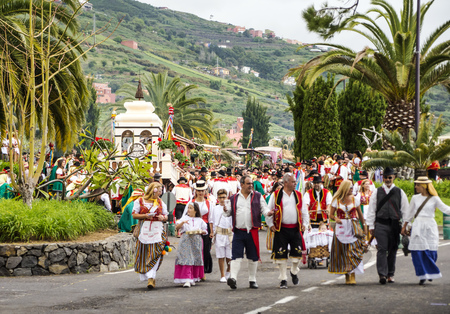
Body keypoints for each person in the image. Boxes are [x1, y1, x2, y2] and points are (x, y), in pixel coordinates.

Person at [223, 175, 272, 290]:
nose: (251, 185)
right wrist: (225, 210)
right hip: (239, 231)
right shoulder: (234, 198)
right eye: (248, 183)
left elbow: (263, 208)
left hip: (252, 231)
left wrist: (268, 213)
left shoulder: (258, 196)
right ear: (242, 185)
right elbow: (228, 213)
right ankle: (233, 278)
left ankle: (252, 279)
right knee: (236, 256)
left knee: (253, 257)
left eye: (251, 183)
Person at [401, 177, 450, 285]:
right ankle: (423, 274)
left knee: (431, 251)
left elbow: (445, 209)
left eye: (417, 185)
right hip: (418, 225)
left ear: (423, 186)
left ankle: (430, 272)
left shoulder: (434, 199)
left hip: (430, 226)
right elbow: (409, 213)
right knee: (417, 251)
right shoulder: (415, 198)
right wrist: (404, 226)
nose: (415, 187)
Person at [366, 167, 409, 284]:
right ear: (383, 178)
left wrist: (406, 226)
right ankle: (382, 275)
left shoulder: (400, 192)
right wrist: (371, 226)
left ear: (393, 177)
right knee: (382, 249)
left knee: (393, 249)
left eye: (390, 177)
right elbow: (371, 210)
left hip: (395, 225)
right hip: (381, 223)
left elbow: (405, 210)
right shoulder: (377, 192)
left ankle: (390, 273)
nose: (387, 179)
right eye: (385, 177)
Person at [266, 173, 309, 289]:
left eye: (295, 182)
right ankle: (283, 278)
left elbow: (304, 211)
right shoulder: (276, 195)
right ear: (286, 183)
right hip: (281, 229)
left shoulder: (299, 195)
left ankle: (294, 271)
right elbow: (269, 211)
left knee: (297, 255)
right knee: (280, 256)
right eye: (293, 182)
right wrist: (270, 225)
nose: (295, 183)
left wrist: (305, 224)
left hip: (295, 229)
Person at [328, 180, 367, 284]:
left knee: (353, 250)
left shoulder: (355, 200)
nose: (351, 189)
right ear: (344, 188)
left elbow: (361, 216)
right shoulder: (336, 200)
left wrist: (365, 229)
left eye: (352, 187)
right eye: (350, 187)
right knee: (343, 252)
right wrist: (335, 218)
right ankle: (347, 274)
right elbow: (331, 215)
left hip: (353, 227)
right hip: (341, 228)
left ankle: (353, 273)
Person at [132, 182, 168, 289]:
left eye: (161, 191)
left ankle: (151, 278)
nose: (160, 193)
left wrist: (163, 218)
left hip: (157, 230)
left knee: (156, 252)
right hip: (145, 229)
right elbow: (134, 215)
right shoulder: (140, 201)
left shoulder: (160, 202)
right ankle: (149, 277)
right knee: (145, 252)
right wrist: (145, 215)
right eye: (159, 191)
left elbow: (166, 215)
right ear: (153, 190)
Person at [183, 180, 214, 277]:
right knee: (193, 250)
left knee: (205, 250)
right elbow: (185, 216)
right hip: (192, 228)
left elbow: (211, 219)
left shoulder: (209, 203)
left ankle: (202, 271)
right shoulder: (190, 203)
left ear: (205, 191)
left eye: (202, 190)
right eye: (198, 190)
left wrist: (212, 232)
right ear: (195, 191)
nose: (200, 193)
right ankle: (192, 270)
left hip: (205, 229)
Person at [174, 202, 208, 288]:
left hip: (196, 241)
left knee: (194, 258)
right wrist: (183, 223)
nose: (188, 210)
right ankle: (187, 278)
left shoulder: (200, 220)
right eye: (188, 208)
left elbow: (205, 230)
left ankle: (192, 277)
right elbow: (177, 227)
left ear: (195, 210)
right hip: (186, 240)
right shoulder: (184, 218)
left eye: (191, 208)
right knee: (186, 258)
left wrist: (201, 231)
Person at [209, 189, 232, 283]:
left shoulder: (231, 208)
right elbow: (211, 221)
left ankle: (229, 270)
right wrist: (211, 232)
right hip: (219, 233)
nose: (222, 199)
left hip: (229, 233)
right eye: (220, 197)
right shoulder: (215, 209)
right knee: (220, 255)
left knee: (229, 256)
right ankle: (222, 274)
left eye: (224, 197)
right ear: (217, 198)